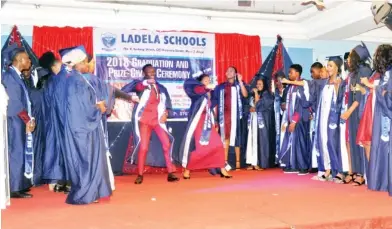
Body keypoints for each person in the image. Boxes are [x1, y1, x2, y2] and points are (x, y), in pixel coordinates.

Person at [62, 46, 112, 204]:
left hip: (86, 126)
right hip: (82, 129)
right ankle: (85, 193)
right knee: (86, 161)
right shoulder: (77, 82)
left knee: (91, 160)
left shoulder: (79, 79)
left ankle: (93, 191)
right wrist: (99, 108)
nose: (89, 65)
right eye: (86, 62)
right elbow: (83, 107)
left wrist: (97, 106)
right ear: (80, 63)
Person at [121, 64, 179, 184]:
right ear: (144, 74)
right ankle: (140, 174)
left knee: (166, 144)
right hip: (145, 121)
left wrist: (166, 113)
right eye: (149, 72)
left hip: (157, 120)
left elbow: (167, 103)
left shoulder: (161, 87)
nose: (152, 73)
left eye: (153, 71)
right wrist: (143, 84)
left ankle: (170, 172)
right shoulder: (141, 85)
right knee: (144, 147)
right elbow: (125, 90)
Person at [175, 74, 232, 179]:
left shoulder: (209, 93)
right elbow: (196, 89)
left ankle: (222, 169)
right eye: (205, 80)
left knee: (218, 145)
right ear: (200, 82)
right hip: (198, 123)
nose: (208, 81)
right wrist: (205, 87)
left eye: (209, 80)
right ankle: (187, 169)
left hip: (208, 124)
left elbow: (210, 110)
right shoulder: (197, 91)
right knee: (199, 149)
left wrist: (215, 122)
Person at [1, 44, 34, 198]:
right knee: (16, 151)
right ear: (20, 60)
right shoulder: (9, 76)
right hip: (14, 119)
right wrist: (28, 120)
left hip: (18, 119)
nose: (30, 62)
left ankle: (18, 184)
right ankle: (14, 187)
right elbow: (15, 102)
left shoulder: (16, 75)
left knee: (19, 151)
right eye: (27, 59)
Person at [340, 42, 373, 186]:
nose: (348, 59)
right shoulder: (353, 73)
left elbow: (361, 95)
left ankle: (362, 173)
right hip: (352, 111)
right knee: (353, 142)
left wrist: (349, 111)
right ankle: (355, 171)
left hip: (360, 111)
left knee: (361, 142)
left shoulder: (365, 71)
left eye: (351, 55)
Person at [312, 57, 347, 182]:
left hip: (334, 118)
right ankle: (327, 169)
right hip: (323, 117)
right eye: (328, 65)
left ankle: (338, 170)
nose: (328, 68)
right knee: (323, 141)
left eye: (331, 66)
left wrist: (337, 86)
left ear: (337, 67)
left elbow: (340, 102)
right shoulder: (324, 82)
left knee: (333, 143)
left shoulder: (341, 82)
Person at [39, 51, 70, 193]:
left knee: (56, 149)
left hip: (54, 121)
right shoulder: (63, 77)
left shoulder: (52, 80)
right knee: (65, 150)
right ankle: (64, 181)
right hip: (64, 121)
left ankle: (59, 181)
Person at [363, 44, 392, 192]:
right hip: (381, 114)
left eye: (377, 54)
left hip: (387, 115)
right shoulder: (385, 73)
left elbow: (389, 96)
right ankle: (381, 181)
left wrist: (377, 88)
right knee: (381, 147)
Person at [212, 66, 248, 170]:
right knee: (225, 138)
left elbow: (245, 95)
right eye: (227, 70)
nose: (228, 72)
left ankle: (237, 162)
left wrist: (240, 82)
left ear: (235, 74)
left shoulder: (239, 85)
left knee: (237, 138)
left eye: (231, 71)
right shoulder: (220, 87)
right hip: (225, 116)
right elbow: (214, 101)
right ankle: (224, 161)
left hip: (237, 116)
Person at [279, 64, 311, 175]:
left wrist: (294, 120)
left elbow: (301, 104)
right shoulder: (290, 87)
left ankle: (303, 166)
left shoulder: (302, 84)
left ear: (297, 73)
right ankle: (293, 165)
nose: (289, 74)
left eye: (291, 72)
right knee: (292, 143)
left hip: (299, 119)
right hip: (290, 118)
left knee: (300, 143)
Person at [246, 78, 275, 170]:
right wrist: (249, 109)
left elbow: (258, 105)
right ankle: (252, 162)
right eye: (257, 84)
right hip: (253, 120)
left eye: (260, 84)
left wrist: (255, 94)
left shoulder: (267, 95)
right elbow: (249, 105)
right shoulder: (253, 95)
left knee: (260, 141)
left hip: (262, 122)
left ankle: (259, 162)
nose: (258, 86)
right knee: (252, 140)